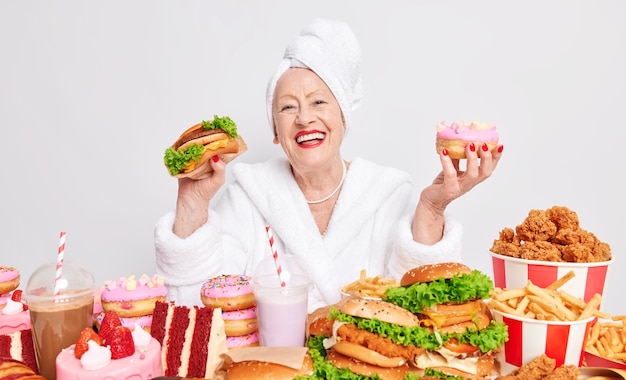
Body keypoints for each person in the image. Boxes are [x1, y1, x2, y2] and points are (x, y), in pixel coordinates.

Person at [154, 18, 503, 312]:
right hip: (272, 379)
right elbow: (195, 306)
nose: (305, 118)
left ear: (342, 117)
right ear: (276, 132)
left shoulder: (386, 193)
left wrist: (432, 207)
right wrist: (193, 203)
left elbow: (420, 309)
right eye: (288, 108)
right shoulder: (248, 197)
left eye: (319, 102)